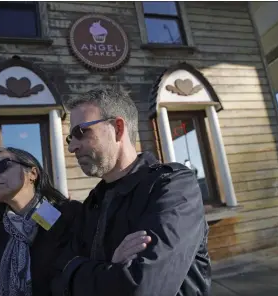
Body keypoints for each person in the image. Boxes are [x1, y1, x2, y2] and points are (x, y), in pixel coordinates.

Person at [0, 146, 148, 296]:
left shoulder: (69, 215)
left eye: (2, 166)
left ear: (33, 173)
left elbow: (89, 266)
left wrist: (112, 262)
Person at [51, 87, 212, 296]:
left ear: (118, 128)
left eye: (80, 132)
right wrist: (111, 267)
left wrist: (81, 269)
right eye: (69, 139)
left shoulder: (172, 186)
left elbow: (141, 287)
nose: (72, 147)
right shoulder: (93, 202)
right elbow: (57, 279)